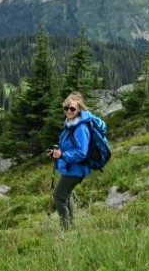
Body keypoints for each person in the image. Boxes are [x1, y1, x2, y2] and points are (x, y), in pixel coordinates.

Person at [51, 92, 91, 228]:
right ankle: (71, 226)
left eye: (72, 108)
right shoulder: (70, 124)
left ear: (79, 109)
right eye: (66, 108)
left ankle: (65, 227)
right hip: (70, 167)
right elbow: (67, 147)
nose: (69, 111)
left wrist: (63, 155)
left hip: (76, 169)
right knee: (67, 195)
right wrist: (55, 153)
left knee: (58, 195)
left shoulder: (80, 128)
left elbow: (82, 153)